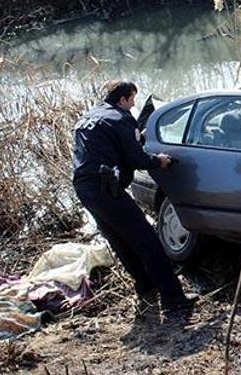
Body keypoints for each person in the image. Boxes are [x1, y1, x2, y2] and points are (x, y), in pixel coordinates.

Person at [72, 80, 195, 316]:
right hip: (106, 187)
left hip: (84, 188)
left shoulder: (88, 117)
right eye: (132, 100)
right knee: (147, 240)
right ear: (122, 100)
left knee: (119, 239)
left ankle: (145, 285)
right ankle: (174, 298)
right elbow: (137, 159)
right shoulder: (120, 118)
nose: (133, 105)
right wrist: (160, 160)